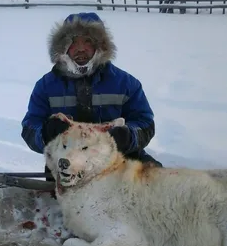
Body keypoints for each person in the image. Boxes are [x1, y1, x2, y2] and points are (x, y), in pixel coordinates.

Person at [21, 12, 162, 180]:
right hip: (66, 167)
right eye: (73, 42)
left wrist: (127, 136)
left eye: (87, 41)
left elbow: (145, 124)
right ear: (62, 47)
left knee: (161, 183)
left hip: (120, 165)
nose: (80, 48)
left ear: (100, 45)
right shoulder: (45, 86)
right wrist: (46, 133)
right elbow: (30, 127)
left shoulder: (126, 83)